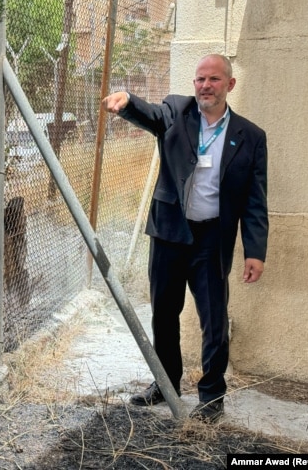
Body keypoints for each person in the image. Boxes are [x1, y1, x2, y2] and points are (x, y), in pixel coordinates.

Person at [102, 54, 268, 423]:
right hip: (170, 233)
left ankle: (212, 395)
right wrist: (128, 101)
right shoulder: (177, 111)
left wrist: (255, 252)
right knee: (164, 313)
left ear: (229, 84)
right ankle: (166, 383)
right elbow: (150, 114)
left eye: (212, 79)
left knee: (213, 319)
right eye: (199, 80)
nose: (204, 86)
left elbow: (255, 200)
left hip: (212, 238)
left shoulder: (251, 137)